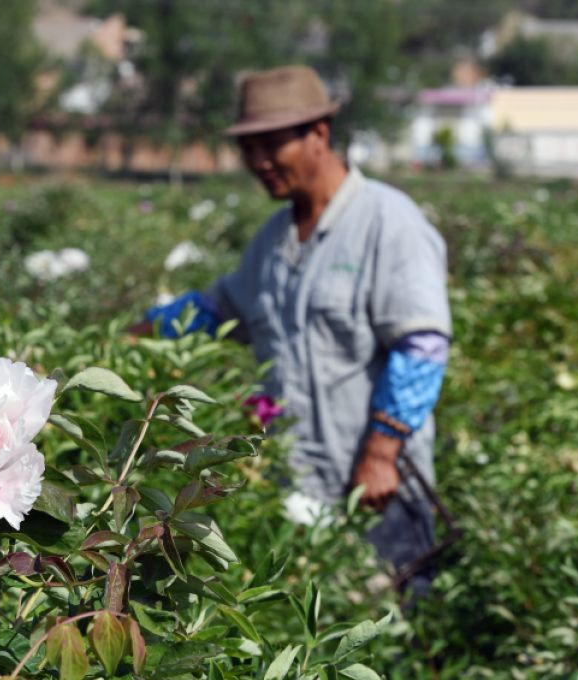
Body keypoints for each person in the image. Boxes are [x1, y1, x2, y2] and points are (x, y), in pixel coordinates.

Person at [132, 65, 452, 605]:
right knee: (317, 644)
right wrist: (133, 335)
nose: (258, 163)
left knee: (394, 647)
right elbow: (217, 307)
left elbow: (423, 345)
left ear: (319, 135)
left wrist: (381, 450)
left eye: (270, 146)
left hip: (379, 493)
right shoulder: (274, 240)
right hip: (300, 490)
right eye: (248, 149)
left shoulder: (387, 222)